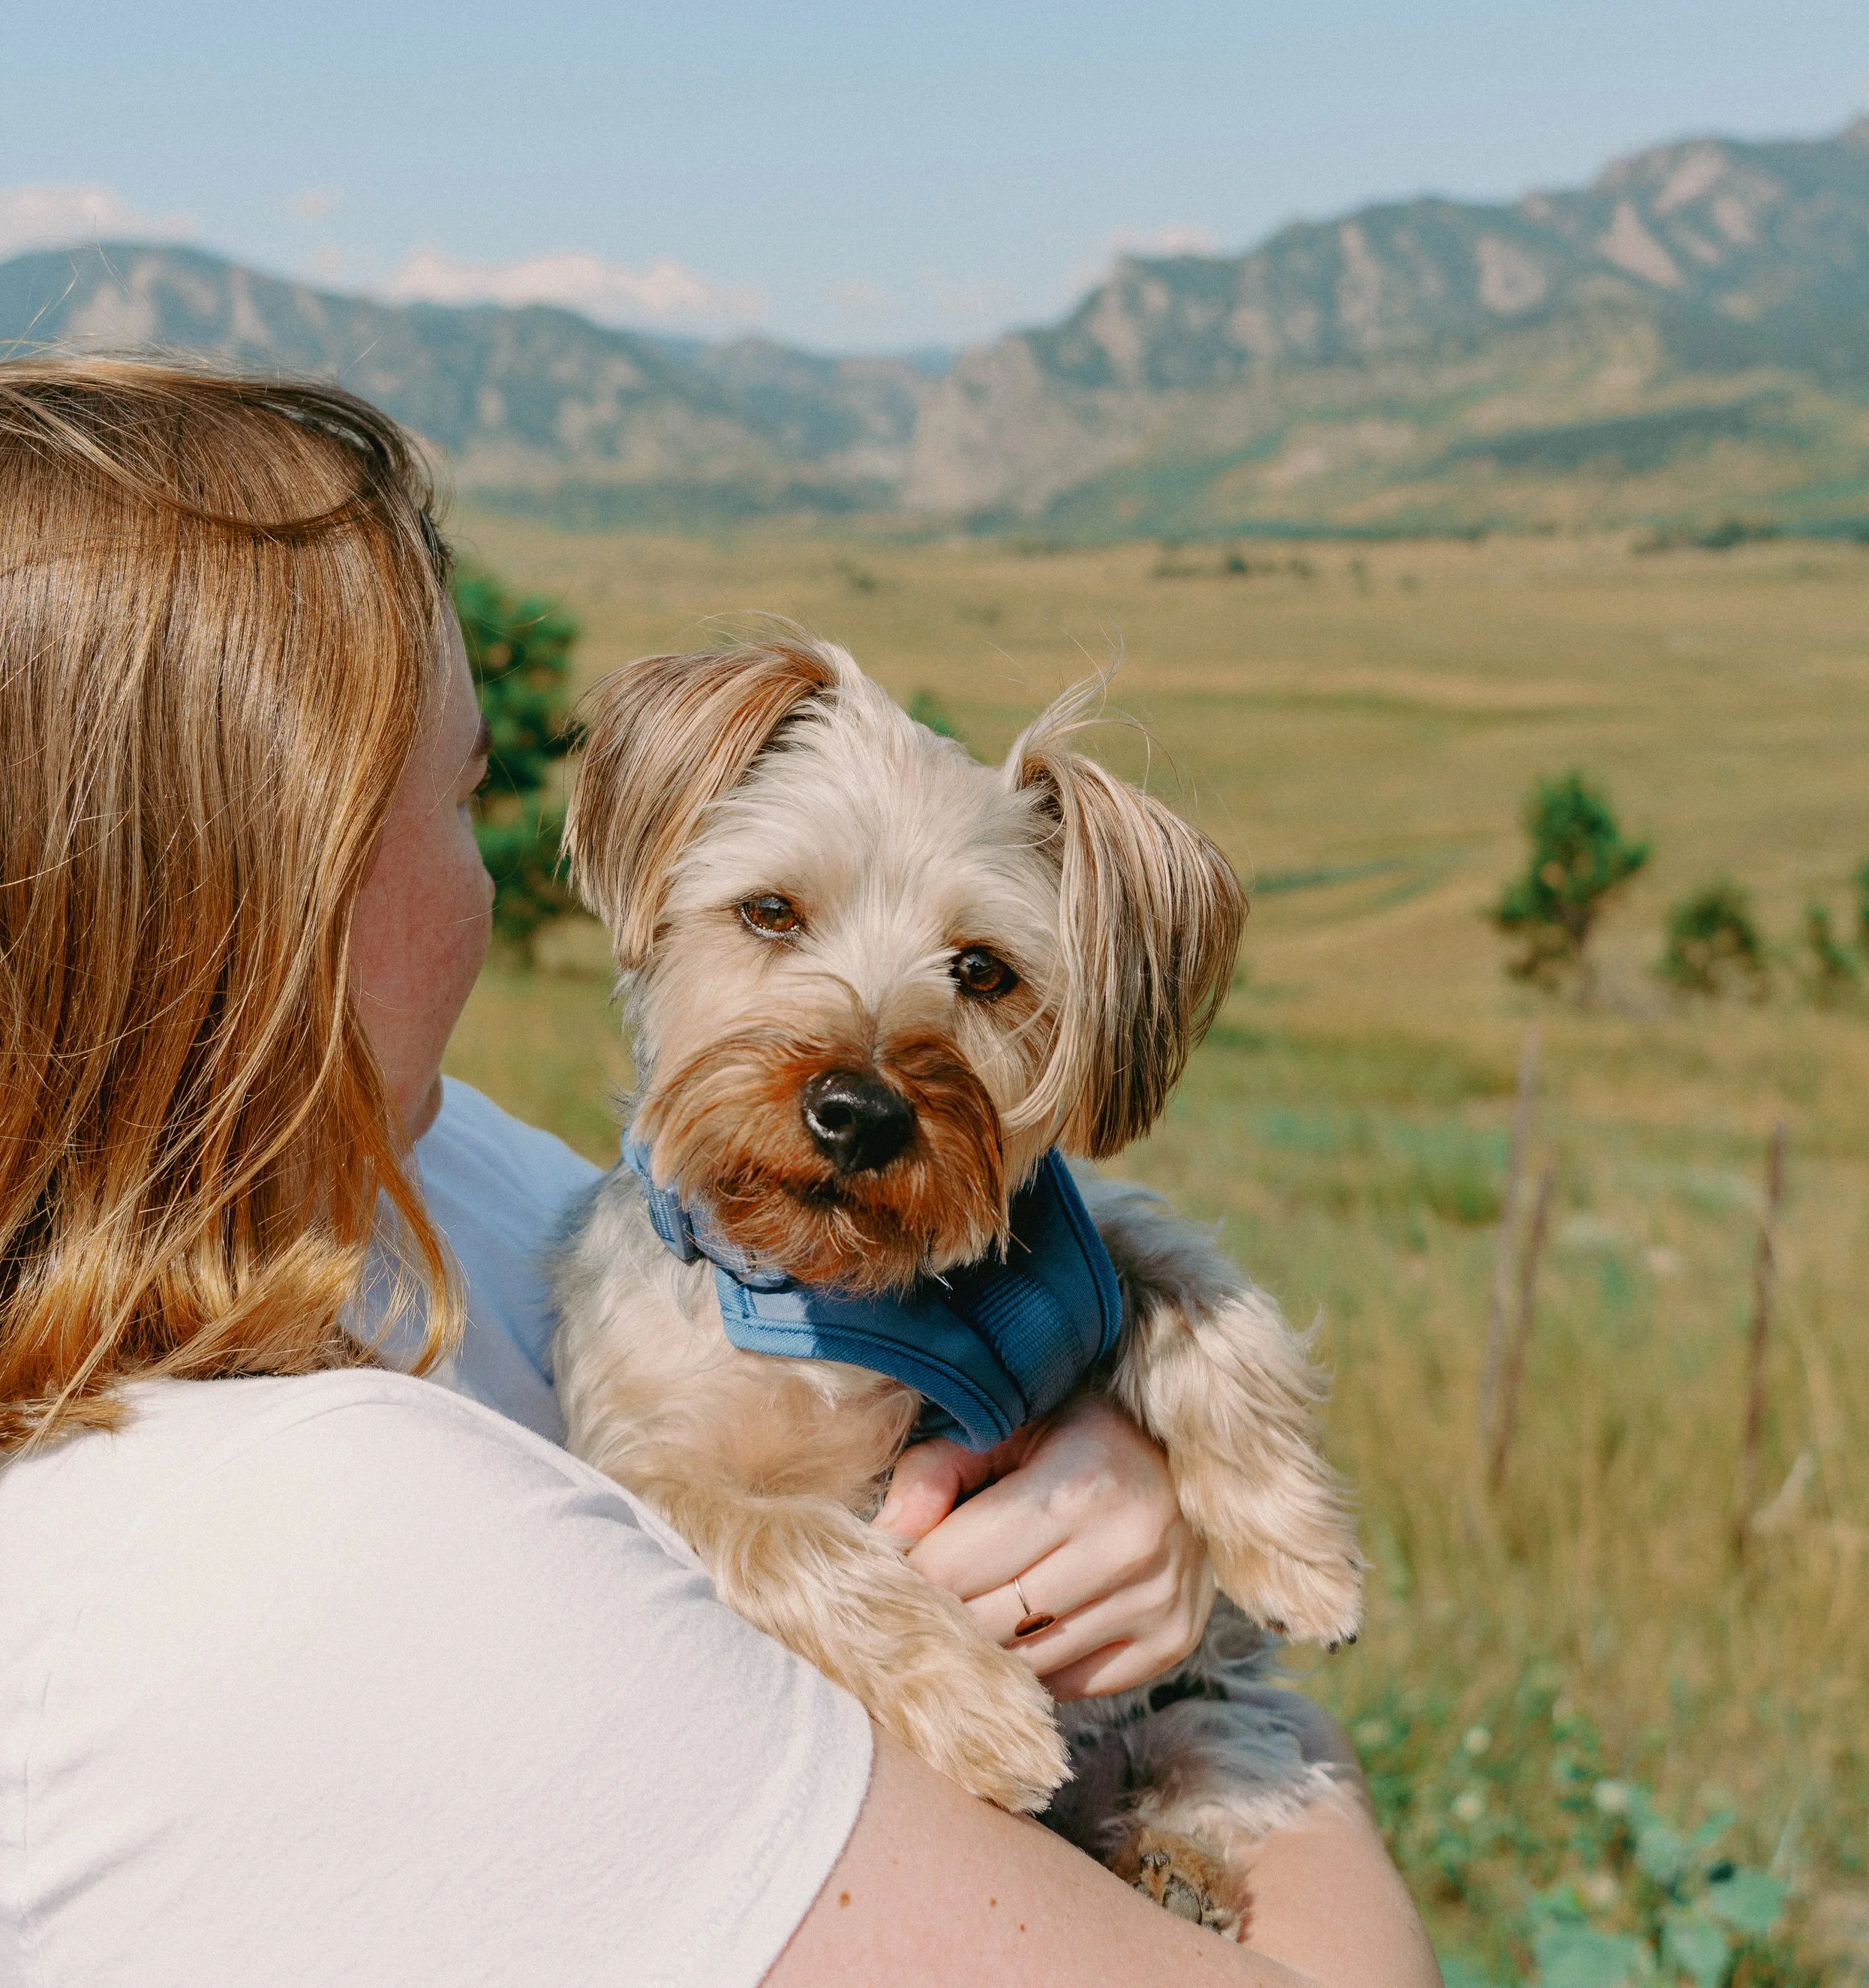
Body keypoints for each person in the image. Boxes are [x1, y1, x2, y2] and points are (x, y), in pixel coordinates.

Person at [0, 360, 1439, 1988]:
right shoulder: (317, 1523)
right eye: (469, 794)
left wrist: (1125, 1506)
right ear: (272, 877)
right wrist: (1284, 1758)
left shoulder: (414, 1166)